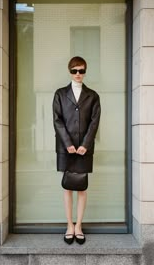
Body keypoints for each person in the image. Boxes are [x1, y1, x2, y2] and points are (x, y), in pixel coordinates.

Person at [52, 56, 101, 245]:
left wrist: (85, 144)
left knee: (81, 187)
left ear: (85, 71)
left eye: (81, 70)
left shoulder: (93, 95)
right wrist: (67, 143)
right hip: (66, 148)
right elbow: (57, 120)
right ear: (69, 71)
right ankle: (69, 225)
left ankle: (79, 225)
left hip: (84, 149)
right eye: (74, 71)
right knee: (67, 186)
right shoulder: (60, 94)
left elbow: (95, 122)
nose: (78, 74)